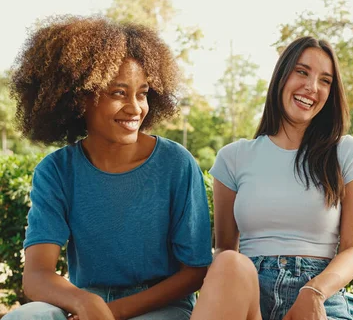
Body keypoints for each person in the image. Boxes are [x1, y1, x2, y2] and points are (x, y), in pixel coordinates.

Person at [3, 16, 213, 320]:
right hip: (85, 302)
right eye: (118, 93)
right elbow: (36, 275)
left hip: (161, 308)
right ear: (79, 97)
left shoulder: (176, 163)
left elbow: (194, 272)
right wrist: (85, 303)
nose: (135, 107)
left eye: (142, 93)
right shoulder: (57, 170)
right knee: (23, 317)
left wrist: (111, 312)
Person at [199, 36, 353, 320]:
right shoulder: (233, 158)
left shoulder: (348, 152)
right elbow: (224, 249)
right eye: (302, 71)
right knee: (229, 261)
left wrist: (314, 291)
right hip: (248, 296)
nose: (311, 87)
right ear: (282, 75)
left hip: (319, 297)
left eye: (325, 80)